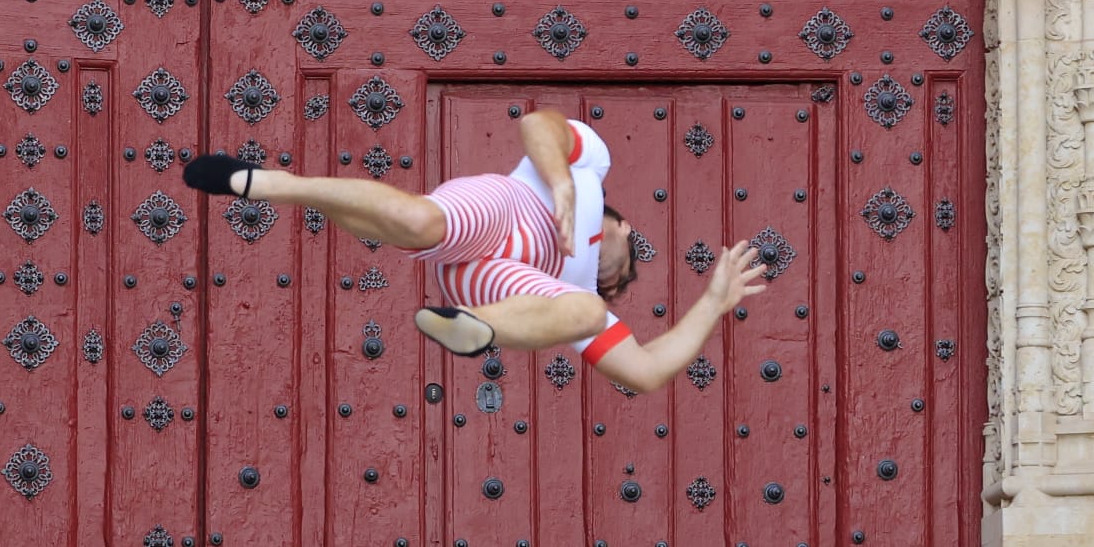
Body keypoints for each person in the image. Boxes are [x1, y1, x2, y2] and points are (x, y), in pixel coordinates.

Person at [183, 108, 766, 392]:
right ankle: (269, 184)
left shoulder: (583, 295)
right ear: (622, 224)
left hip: (494, 289)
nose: (619, 276)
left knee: (583, 315)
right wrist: (560, 180)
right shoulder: (592, 168)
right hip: (506, 208)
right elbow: (539, 123)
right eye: (628, 257)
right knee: (416, 217)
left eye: (622, 284)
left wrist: (713, 302)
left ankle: (473, 329)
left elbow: (645, 373)